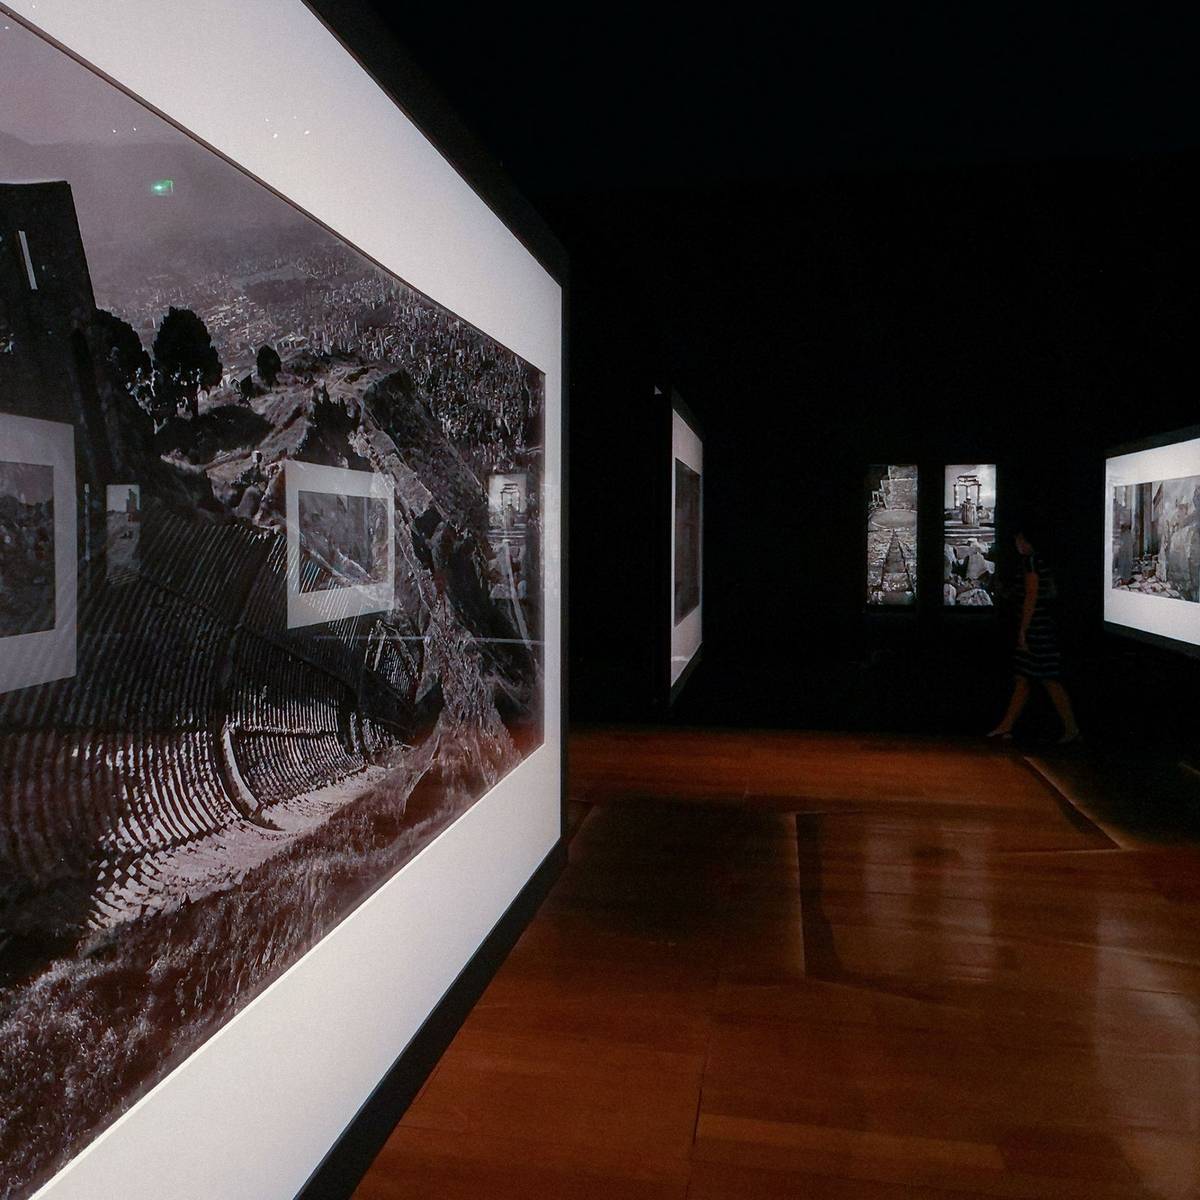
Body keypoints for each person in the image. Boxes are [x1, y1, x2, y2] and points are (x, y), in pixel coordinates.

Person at [987, 521, 1081, 744]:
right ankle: (1008, 724)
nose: (1017, 543)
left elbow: (1031, 595)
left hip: (1037, 629)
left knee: (1045, 678)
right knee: (1027, 678)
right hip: (1041, 626)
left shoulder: (1031, 562)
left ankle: (1071, 728)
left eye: (1020, 539)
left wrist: (1024, 629)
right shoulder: (1041, 562)